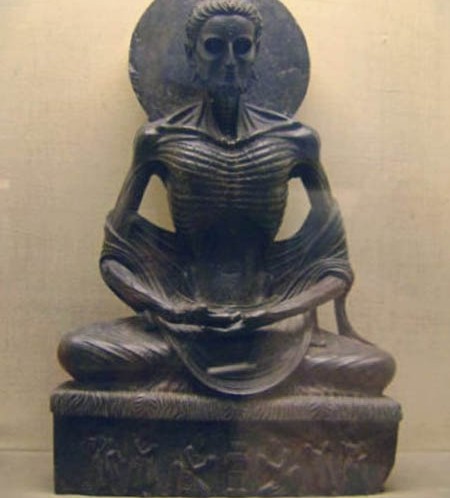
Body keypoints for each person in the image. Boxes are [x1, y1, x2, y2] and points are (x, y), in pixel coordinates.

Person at [59, 0, 395, 395]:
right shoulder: (159, 139)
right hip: (183, 321)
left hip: (274, 325)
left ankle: (182, 387)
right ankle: (206, 382)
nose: (230, 61)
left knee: (375, 367)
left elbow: (335, 268)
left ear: (257, 53)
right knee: (79, 350)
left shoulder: (296, 140)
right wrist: (171, 309)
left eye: (242, 47)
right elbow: (114, 258)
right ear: (192, 56)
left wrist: (273, 312)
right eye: (215, 47)